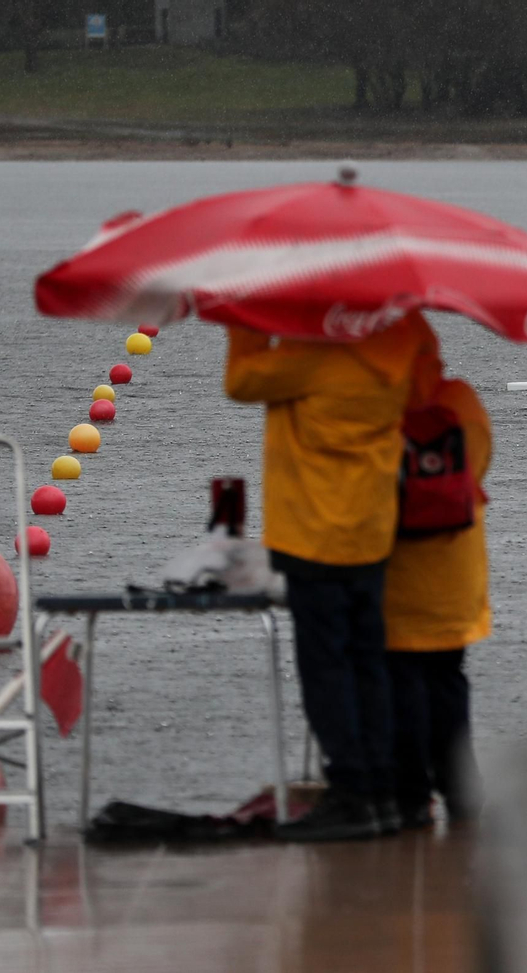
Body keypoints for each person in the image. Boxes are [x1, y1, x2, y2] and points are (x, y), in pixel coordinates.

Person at [224, 310, 439, 842]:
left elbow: (242, 381)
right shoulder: (402, 341)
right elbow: (426, 388)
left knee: (326, 671)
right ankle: (383, 793)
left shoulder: (312, 355)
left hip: (313, 534)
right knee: (369, 663)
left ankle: (351, 792)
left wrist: (246, 320)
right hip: (371, 531)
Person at [383, 349, 490, 829]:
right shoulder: (461, 400)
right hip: (455, 569)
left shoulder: (376, 409)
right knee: (448, 682)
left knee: (402, 685)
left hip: (399, 571)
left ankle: (411, 797)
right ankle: (462, 793)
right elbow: (479, 467)